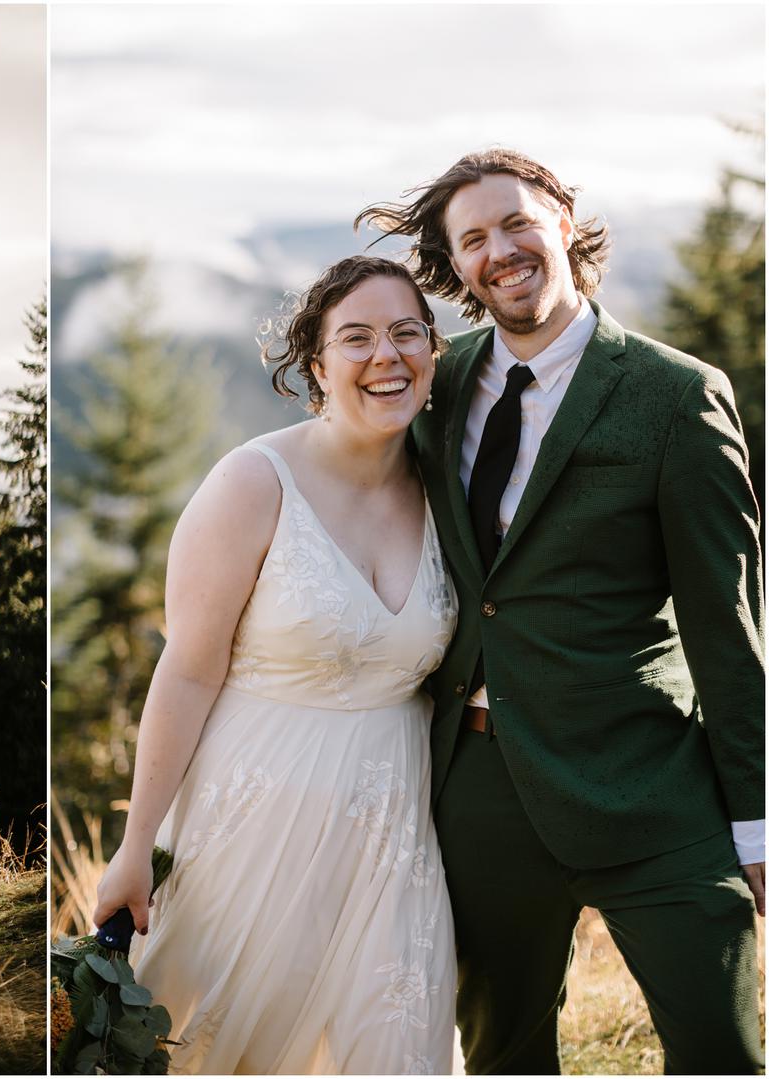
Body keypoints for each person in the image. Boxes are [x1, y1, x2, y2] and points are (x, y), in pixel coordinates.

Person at [356, 148, 765, 1073]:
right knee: (505, 1056)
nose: (499, 250)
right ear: (455, 267)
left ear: (565, 225)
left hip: (653, 785)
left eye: (515, 223)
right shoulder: (438, 384)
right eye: (472, 239)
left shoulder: (677, 396)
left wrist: (758, 820)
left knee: (721, 1052)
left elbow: (728, 625)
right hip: (480, 790)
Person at [93, 256, 459, 1074]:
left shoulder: (449, 486)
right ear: (317, 364)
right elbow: (185, 672)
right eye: (356, 337)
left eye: (407, 333)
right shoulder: (253, 483)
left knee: (402, 1044)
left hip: (396, 834)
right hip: (254, 822)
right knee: (222, 1047)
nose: (386, 355)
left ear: (434, 351)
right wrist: (133, 844)